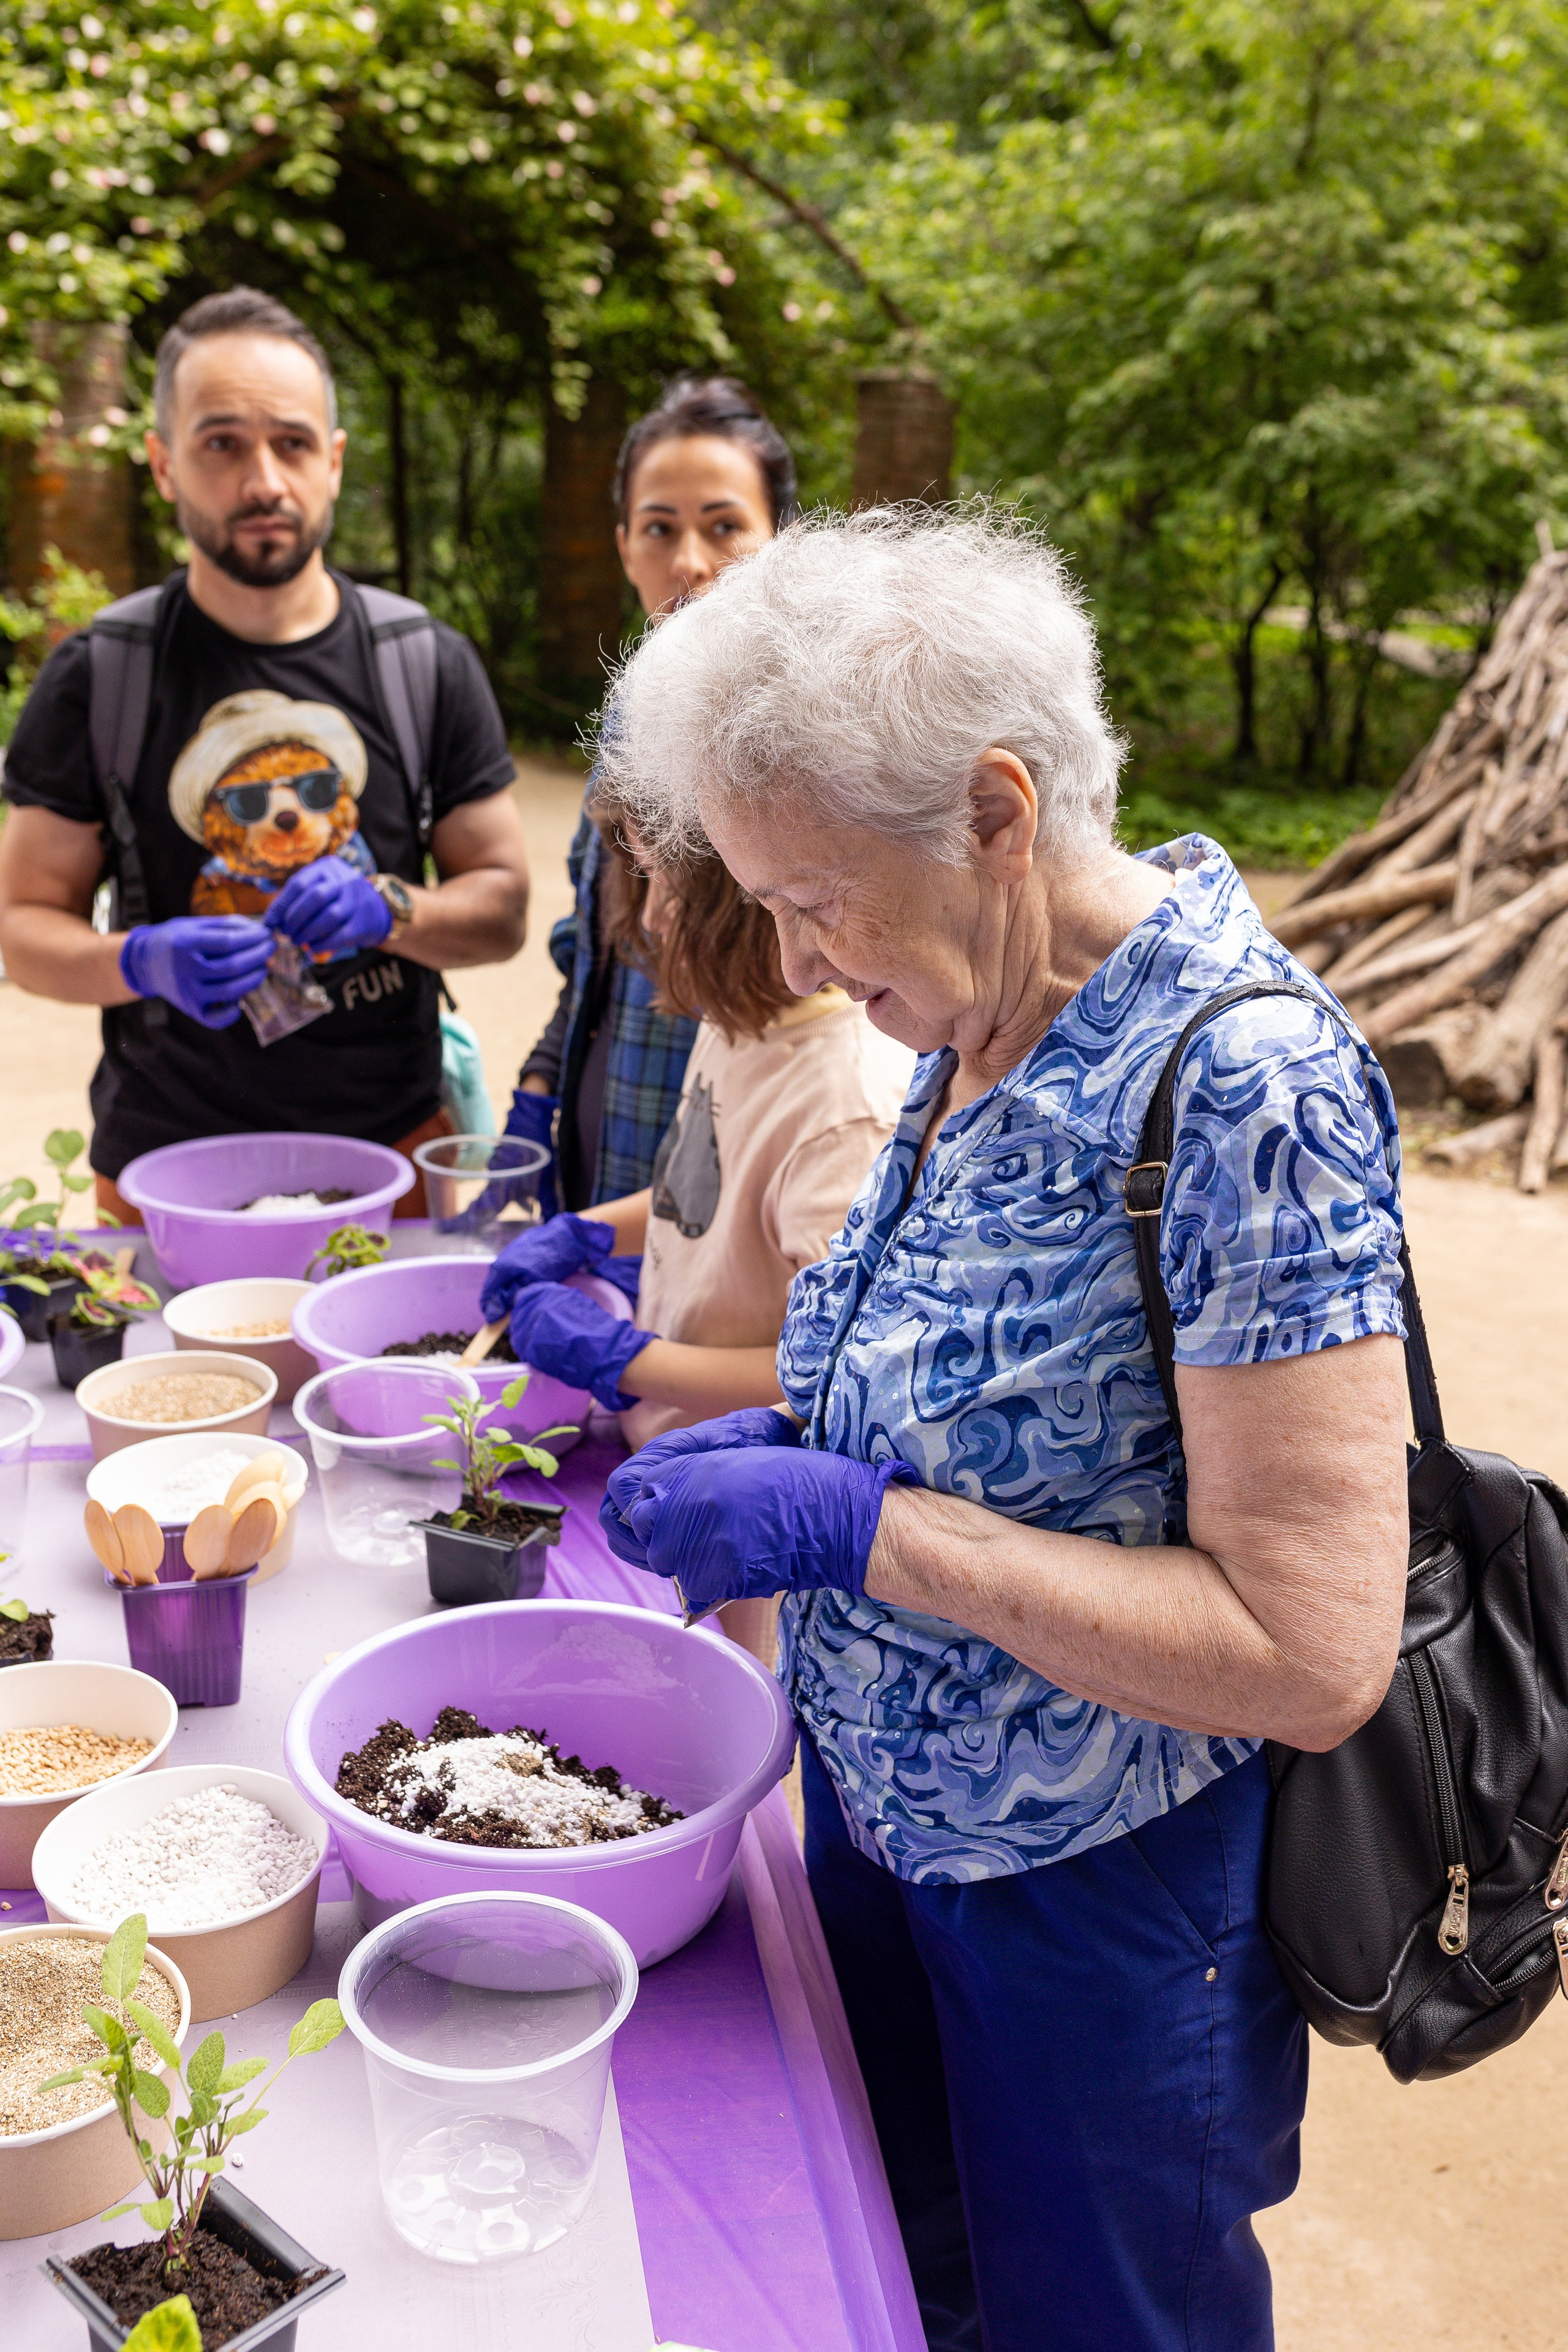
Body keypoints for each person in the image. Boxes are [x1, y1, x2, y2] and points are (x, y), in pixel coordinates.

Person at [594, 510, 1411, 2351]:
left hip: (1098, 1905)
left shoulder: (1246, 1082)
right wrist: (795, 1439)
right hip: (887, 1837)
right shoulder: (981, 1004)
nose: (795, 961)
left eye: (813, 899)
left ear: (992, 809)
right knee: (911, 2286)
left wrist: (866, 1531)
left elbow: (1312, 1648)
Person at [0, 286, 530, 1218]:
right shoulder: (100, 676)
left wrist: (387, 907)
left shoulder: (424, 662)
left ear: (332, 461)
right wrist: (138, 960)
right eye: (221, 444)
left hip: (391, 1160)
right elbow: (24, 924)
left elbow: (504, 910)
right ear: (163, 465)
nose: (263, 481)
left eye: (291, 443)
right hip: (163, 1172)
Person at [482, 789, 912, 1657]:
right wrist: (589, 1231)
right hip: (661, 1461)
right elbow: (698, 1187)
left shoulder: (844, 1109)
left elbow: (819, 1384)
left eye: (667, 892)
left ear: (753, 903)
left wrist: (627, 1360)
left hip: (738, 1520)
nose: (647, 922)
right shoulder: (738, 1020)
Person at [505, 375, 795, 1213]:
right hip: (601, 1169)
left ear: (780, 539)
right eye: (660, 528)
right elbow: (596, 947)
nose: (690, 563)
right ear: (625, 545)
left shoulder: (811, 751)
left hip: (719, 1206)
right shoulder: (632, 708)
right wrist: (542, 1078)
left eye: (724, 526)